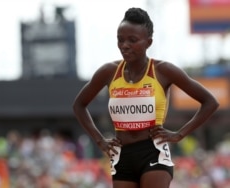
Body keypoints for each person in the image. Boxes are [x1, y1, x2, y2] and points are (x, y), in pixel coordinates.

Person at [73, 7, 219, 188]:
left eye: (132, 40)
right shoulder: (108, 72)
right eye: (120, 40)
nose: (124, 45)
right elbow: (79, 105)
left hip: (153, 152)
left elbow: (210, 102)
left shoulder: (163, 70)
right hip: (122, 154)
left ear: (148, 42)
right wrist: (99, 140)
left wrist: (179, 134)